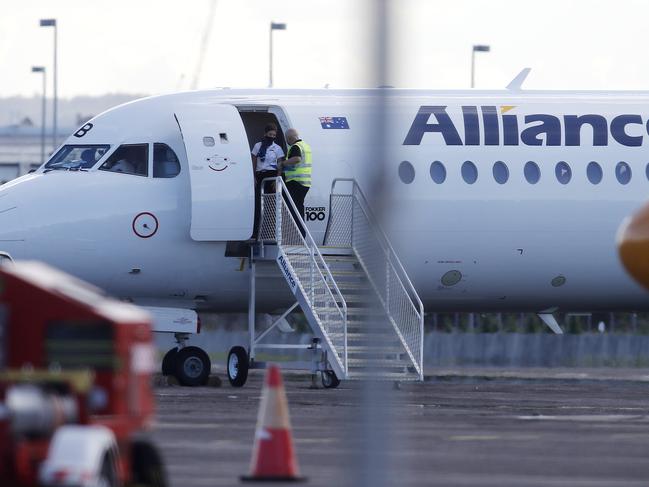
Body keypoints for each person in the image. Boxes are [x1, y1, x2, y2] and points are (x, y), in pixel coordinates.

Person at [251, 123, 285, 238]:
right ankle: (256, 232)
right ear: (265, 134)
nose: (271, 136)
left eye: (273, 135)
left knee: (271, 204)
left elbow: (280, 164)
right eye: (270, 134)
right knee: (258, 204)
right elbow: (254, 161)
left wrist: (277, 179)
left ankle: (270, 232)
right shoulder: (258, 146)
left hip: (272, 176)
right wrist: (253, 176)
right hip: (260, 175)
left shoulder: (277, 148)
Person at [279, 128, 312, 237]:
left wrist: (283, 163)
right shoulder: (305, 146)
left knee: (294, 209)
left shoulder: (295, 147)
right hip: (304, 183)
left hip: (296, 182)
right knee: (298, 207)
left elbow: (297, 159)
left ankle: (299, 235)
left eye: (287, 139)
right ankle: (301, 233)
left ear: (289, 138)